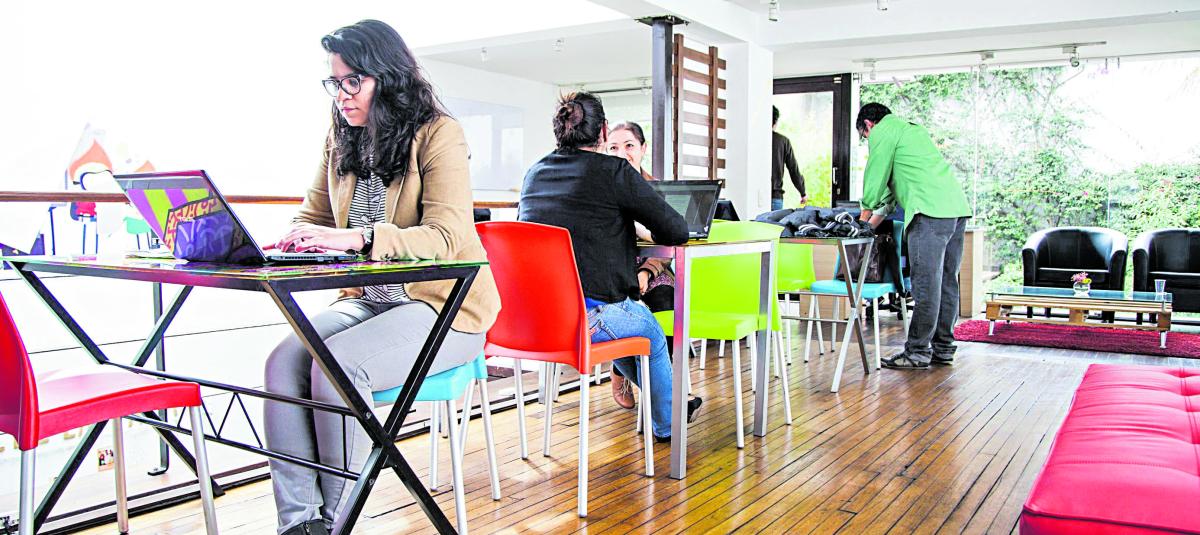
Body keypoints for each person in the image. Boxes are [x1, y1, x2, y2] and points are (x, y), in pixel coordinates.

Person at [263, 20, 500, 535]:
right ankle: (299, 524)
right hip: (369, 300)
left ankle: (337, 522)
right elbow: (312, 216)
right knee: (283, 362)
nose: (342, 95)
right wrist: (294, 239)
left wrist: (360, 238)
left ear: (387, 77)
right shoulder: (340, 138)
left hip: (444, 308)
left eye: (354, 81)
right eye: (335, 82)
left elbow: (446, 236)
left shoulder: (438, 133)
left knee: (338, 365)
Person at [519, 92, 701, 442]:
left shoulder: (534, 174)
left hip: (532, 319)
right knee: (649, 331)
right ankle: (668, 424)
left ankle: (675, 402)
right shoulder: (613, 171)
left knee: (628, 328)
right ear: (603, 131)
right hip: (586, 318)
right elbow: (677, 231)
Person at [856, 102, 971, 370]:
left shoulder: (883, 131)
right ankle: (943, 348)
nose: (868, 141)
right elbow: (889, 195)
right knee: (946, 282)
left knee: (926, 284)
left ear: (869, 125)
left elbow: (874, 178)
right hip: (955, 210)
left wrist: (862, 216)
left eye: (864, 136)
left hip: (928, 212)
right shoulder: (912, 131)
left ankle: (917, 352)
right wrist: (870, 225)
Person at [605, 121, 674, 409]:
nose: (622, 153)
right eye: (613, 147)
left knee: (666, 301)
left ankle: (663, 393)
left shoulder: (658, 189)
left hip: (653, 269)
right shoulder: (601, 189)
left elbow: (670, 242)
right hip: (614, 270)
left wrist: (646, 271)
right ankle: (620, 371)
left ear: (643, 149)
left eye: (629, 145)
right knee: (617, 304)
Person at [771, 105, 807, 211]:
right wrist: (803, 192)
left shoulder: (754, 140)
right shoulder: (783, 141)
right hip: (775, 197)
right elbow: (793, 169)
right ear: (775, 122)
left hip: (754, 195)